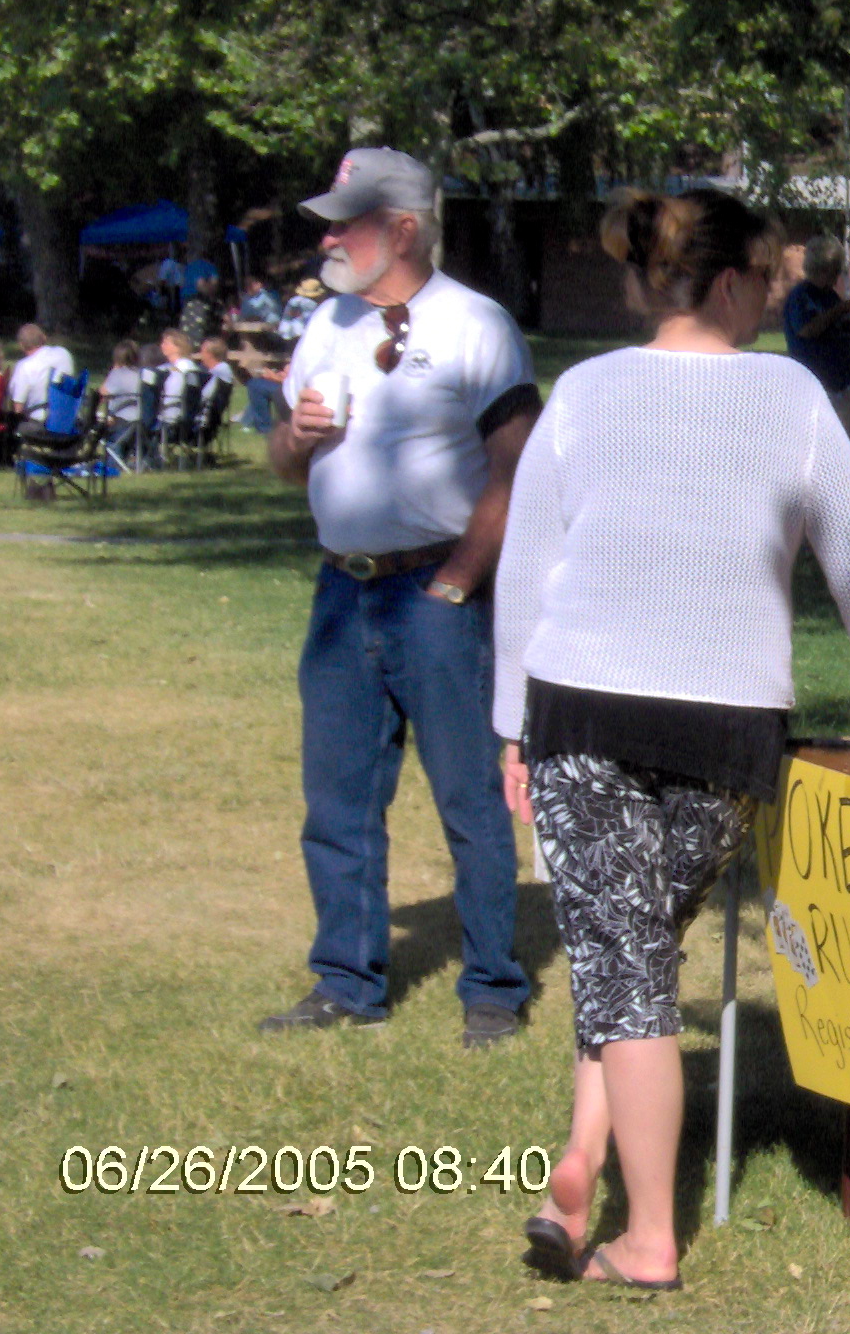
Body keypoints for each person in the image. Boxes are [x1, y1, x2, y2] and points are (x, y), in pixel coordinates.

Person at [496, 188, 850, 1289]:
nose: (772, 296)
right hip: (727, 723)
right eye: (765, 278)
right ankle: (580, 1161)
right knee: (632, 951)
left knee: (624, 961)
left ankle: (648, 1238)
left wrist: (509, 728)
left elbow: (526, 568)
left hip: (580, 705)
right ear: (725, 283)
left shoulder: (584, 390)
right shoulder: (790, 394)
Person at [260, 146, 543, 1048]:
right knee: (337, 801)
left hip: (435, 594)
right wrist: (297, 439)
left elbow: (518, 471)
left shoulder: (476, 325)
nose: (330, 238)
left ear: (405, 229)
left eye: (347, 223)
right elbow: (282, 461)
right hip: (342, 592)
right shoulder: (328, 323)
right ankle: (346, 981)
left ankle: (492, 988)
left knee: (470, 801)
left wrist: (458, 581)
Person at [781, 235, 850, 392]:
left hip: (842, 379)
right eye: (833, 273)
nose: (836, 280)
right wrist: (837, 312)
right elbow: (806, 329)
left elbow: (837, 327)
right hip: (814, 381)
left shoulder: (831, 296)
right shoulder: (801, 296)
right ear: (820, 269)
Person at [5, 323, 77, 430]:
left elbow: (18, 407)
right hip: (68, 423)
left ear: (21, 345)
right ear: (44, 338)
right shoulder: (64, 354)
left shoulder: (24, 367)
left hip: (40, 425)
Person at [99, 340, 143, 464]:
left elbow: (101, 396)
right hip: (141, 421)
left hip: (121, 422)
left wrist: (113, 370)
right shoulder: (142, 374)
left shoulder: (118, 374)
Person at [156, 329, 201, 432]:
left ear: (178, 347)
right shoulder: (168, 367)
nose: (162, 346)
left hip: (173, 414)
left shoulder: (183, 368)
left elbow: (172, 393)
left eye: (166, 343)